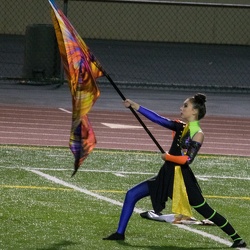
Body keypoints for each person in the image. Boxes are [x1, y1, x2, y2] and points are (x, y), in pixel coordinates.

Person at [103, 93, 247, 248]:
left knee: (206, 211)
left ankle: (237, 239)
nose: (181, 108)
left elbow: (187, 160)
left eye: (185, 105)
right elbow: (158, 119)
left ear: (194, 112)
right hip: (167, 175)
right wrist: (135, 106)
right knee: (132, 194)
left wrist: (168, 157)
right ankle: (119, 233)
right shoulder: (181, 126)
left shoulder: (198, 134)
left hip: (182, 181)